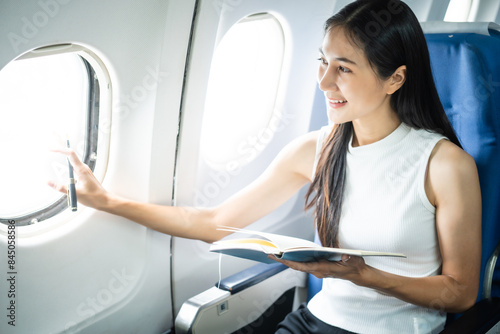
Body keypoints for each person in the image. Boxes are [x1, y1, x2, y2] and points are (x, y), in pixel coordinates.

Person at [49, 0, 482, 333]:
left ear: (395, 79)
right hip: (315, 321)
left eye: (344, 68)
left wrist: (366, 276)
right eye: (322, 61)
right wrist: (104, 200)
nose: (324, 81)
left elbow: (460, 294)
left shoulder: (444, 165)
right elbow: (215, 222)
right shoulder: (315, 149)